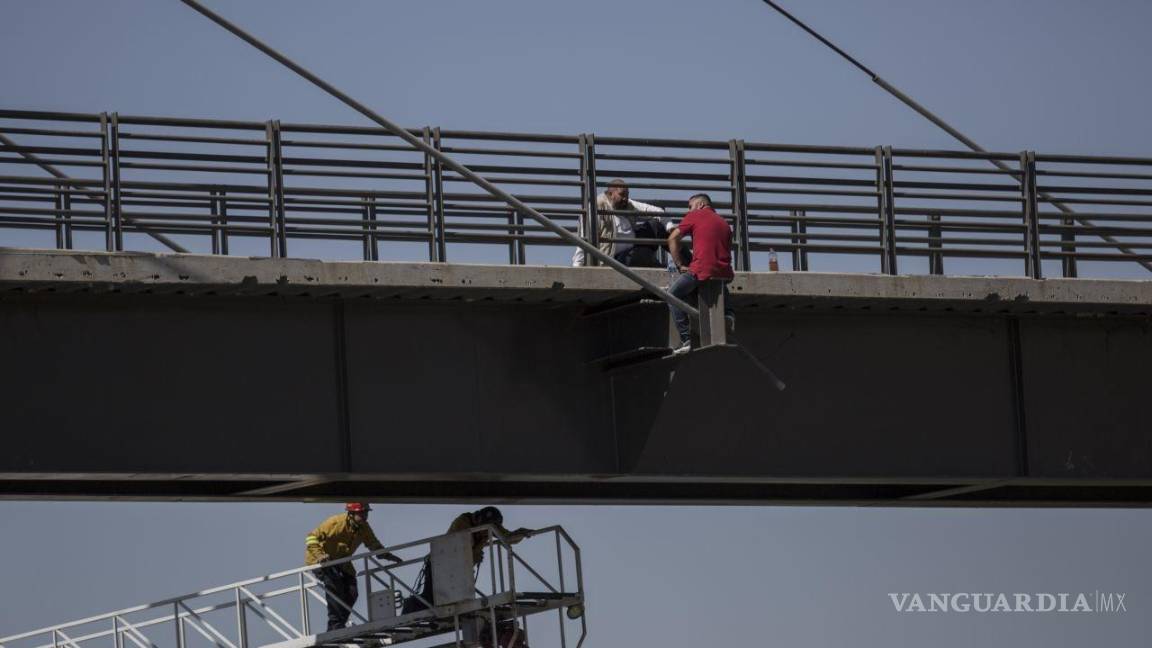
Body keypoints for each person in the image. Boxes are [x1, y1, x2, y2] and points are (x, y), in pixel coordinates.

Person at [403, 507, 533, 614]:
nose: (485, 532)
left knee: (452, 599)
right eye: (485, 526)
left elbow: (507, 537)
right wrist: (475, 555)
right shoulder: (463, 521)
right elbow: (460, 545)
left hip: (458, 569)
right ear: (479, 519)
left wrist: (520, 533)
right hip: (439, 565)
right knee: (431, 599)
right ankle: (409, 607)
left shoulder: (489, 527)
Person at [305, 503, 402, 632]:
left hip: (342, 562)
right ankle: (335, 625)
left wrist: (388, 556)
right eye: (361, 513)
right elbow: (311, 537)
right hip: (322, 561)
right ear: (351, 514)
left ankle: (338, 625)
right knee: (335, 586)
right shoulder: (335, 523)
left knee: (352, 592)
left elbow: (373, 544)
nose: (364, 516)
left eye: (366, 513)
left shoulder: (364, 527)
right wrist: (320, 555)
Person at [666, 193, 735, 354]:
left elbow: (672, 239)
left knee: (672, 295)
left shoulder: (695, 215)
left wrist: (679, 265)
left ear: (701, 205)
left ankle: (685, 339)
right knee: (718, 281)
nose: (688, 211)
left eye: (690, 207)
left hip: (701, 270)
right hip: (724, 272)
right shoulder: (724, 223)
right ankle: (729, 314)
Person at [572, 178, 666, 267]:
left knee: (656, 225)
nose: (625, 198)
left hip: (633, 246)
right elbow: (585, 239)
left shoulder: (627, 204)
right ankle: (662, 268)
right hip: (615, 259)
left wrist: (670, 226)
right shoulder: (597, 208)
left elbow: (656, 211)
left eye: (627, 195)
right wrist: (577, 265)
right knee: (642, 253)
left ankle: (675, 259)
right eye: (622, 195)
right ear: (610, 194)